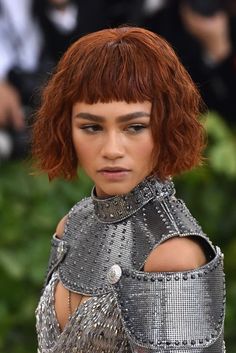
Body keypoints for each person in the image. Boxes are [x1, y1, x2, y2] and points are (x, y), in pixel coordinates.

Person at [33, 26, 226, 353]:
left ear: (166, 126)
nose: (111, 149)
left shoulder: (173, 255)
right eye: (91, 127)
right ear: (66, 128)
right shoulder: (72, 225)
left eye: (134, 127)